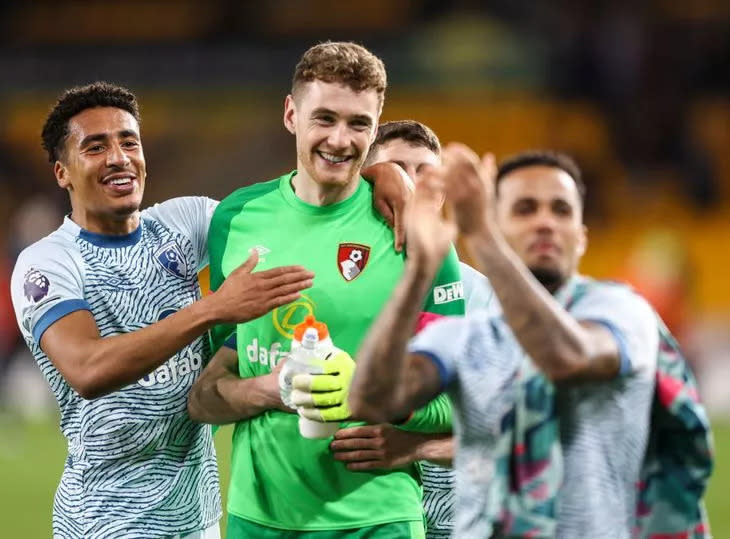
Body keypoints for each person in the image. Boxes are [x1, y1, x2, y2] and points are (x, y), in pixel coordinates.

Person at [10, 82, 317, 539]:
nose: (118, 156)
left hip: (197, 518)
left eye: (128, 141)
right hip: (105, 522)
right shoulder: (47, 262)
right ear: (63, 172)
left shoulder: (184, 221)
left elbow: (292, 204)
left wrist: (379, 174)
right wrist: (212, 309)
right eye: (95, 147)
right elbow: (87, 368)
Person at [187, 42, 467, 538]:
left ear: (376, 128)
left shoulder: (416, 234)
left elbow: (467, 398)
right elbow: (207, 395)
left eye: (359, 124)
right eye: (325, 118)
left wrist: (376, 398)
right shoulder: (235, 219)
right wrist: (266, 390)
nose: (340, 140)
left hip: (378, 518)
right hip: (260, 518)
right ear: (291, 114)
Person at [348, 147, 666, 537]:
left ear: (582, 237)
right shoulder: (465, 333)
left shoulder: (621, 312)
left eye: (561, 210)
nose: (545, 223)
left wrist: (479, 234)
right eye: (525, 209)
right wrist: (418, 274)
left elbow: (566, 360)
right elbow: (372, 398)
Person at [329, 119, 494, 539]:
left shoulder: (483, 297)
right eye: (399, 169)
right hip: (357, 512)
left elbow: (512, 427)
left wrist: (416, 447)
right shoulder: (334, 283)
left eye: (426, 172)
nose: (414, 184)